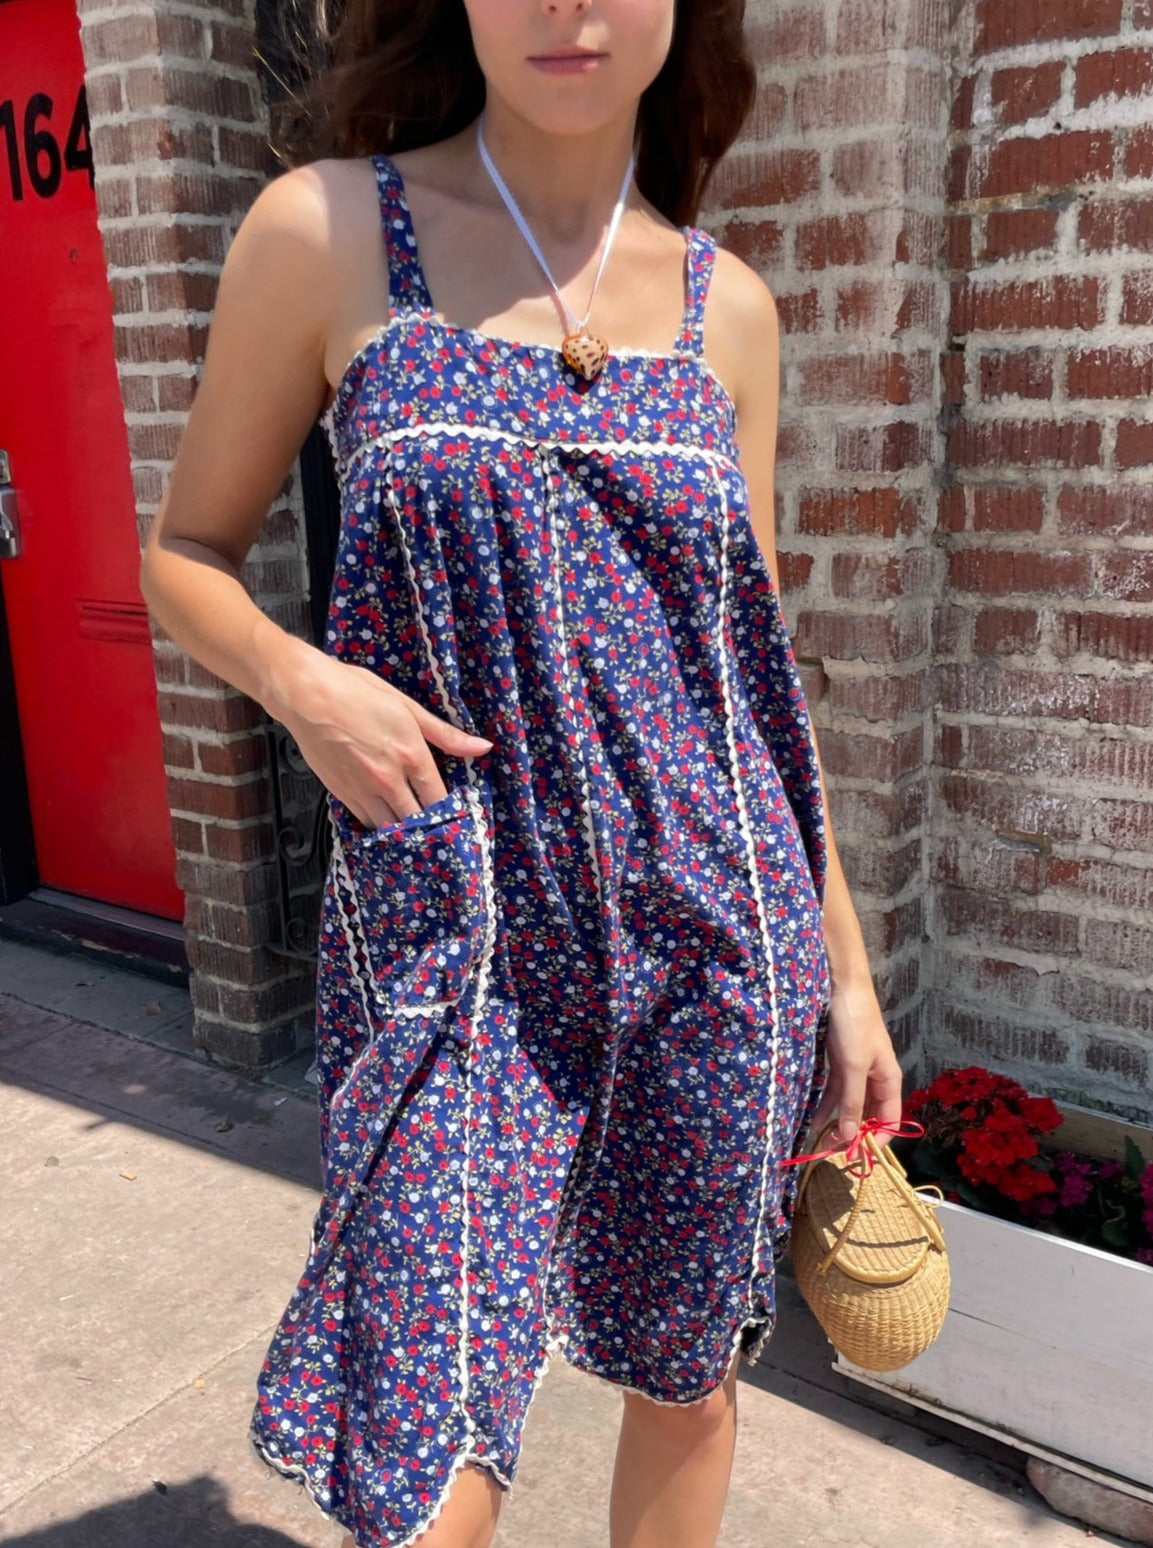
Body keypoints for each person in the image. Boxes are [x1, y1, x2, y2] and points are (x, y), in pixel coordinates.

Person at [139, 1, 904, 1544]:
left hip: (714, 928)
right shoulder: (328, 230)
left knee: (682, 1371)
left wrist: (844, 969)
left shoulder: (725, 309)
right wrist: (304, 688)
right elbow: (186, 555)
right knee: (427, 1459)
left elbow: (749, 679)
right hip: (461, 933)